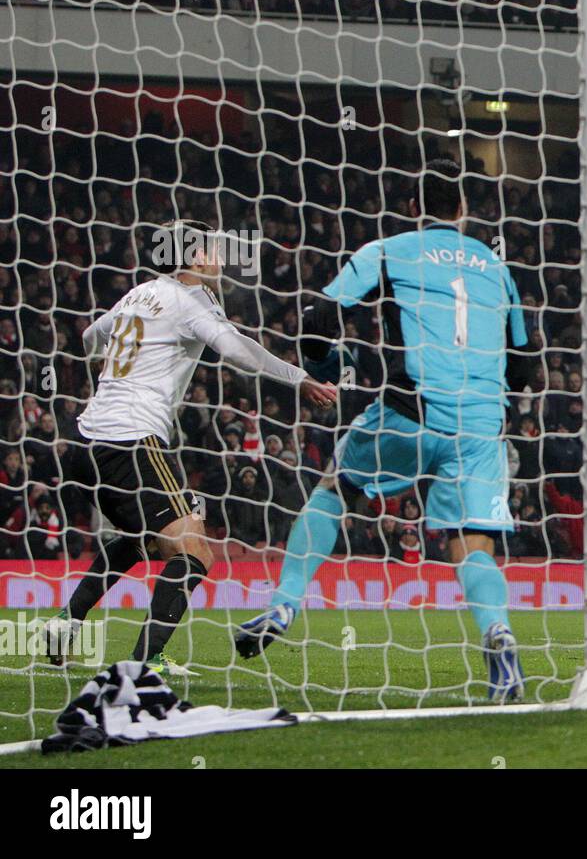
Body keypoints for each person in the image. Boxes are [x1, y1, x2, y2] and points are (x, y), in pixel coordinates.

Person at [236, 159, 530, 702]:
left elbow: (319, 312)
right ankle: (498, 631)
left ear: (414, 208)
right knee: (472, 541)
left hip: (411, 409)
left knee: (337, 488)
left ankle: (284, 601)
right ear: (462, 210)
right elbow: (526, 365)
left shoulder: (390, 249)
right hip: (482, 424)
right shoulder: (497, 266)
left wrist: (321, 367)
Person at [49, 220, 336, 672]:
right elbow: (238, 350)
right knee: (193, 553)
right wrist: (298, 378)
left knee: (137, 540)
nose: (220, 257)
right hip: (131, 441)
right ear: (196, 257)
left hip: (85, 442)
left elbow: (90, 337)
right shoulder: (187, 302)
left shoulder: (138, 293)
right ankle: (146, 664)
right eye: (214, 249)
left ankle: (66, 621)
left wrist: (106, 367)